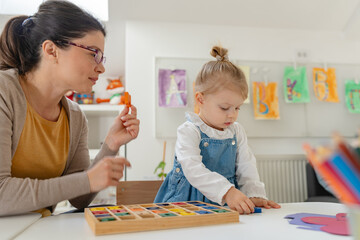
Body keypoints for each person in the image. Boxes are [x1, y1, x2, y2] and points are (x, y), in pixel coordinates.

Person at [0, 1, 139, 217]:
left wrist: (110, 145)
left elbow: (79, 197)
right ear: (51, 50)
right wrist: (86, 180)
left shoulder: (74, 117)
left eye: (101, 57)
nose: (101, 67)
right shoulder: (3, 92)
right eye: (93, 53)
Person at [154, 46, 280, 214]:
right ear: (200, 99)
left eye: (237, 108)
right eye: (224, 108)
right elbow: (193, 169)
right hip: (186, 203)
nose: (232, 115)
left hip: (224, 204)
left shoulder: (237, 131)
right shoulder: (189, 130)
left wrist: (253, 193)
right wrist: (227, 191)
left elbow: (246, 166)